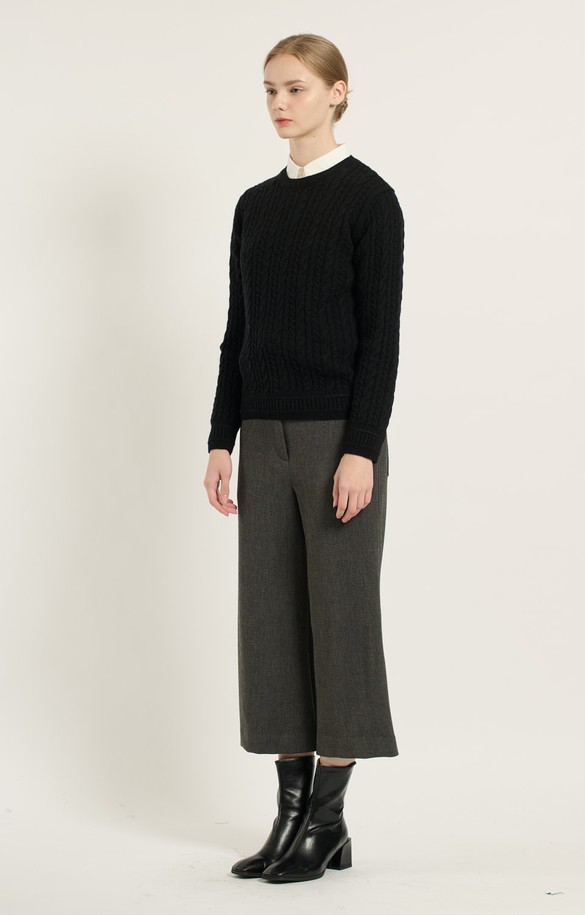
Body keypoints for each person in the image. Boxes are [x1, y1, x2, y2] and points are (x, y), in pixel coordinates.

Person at [204, 33, 405, 883]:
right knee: (271, 623)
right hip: (263, 437)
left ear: (337, 92)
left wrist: (360, 448)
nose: (280, 103)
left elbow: (381, 338)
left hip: (335, 439)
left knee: (342, 620)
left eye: (295, 88)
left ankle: (326, 820)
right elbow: (239, 331)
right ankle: (291, 816)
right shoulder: (255, 206)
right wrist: (221, 436)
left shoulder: (369, 199)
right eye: (269, 89)